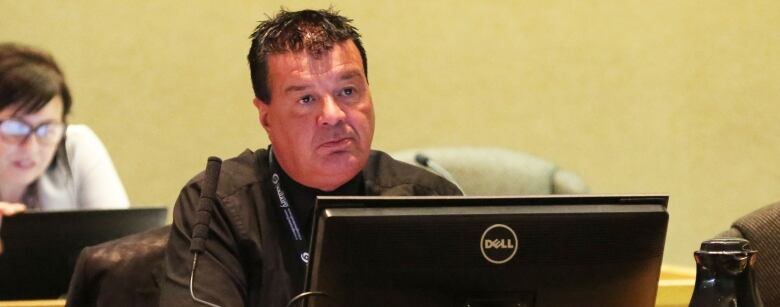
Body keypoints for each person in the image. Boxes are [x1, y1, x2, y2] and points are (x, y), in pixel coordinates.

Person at [160, 8, 462, 307]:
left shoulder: (430, 201)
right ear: (266, 118)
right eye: (306, 99)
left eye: (347, 91)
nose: (333, 115)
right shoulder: (219, 204)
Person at [0, 43, 129, 214]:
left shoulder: (75, 146)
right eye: (15, 128)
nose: (31, 147)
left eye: (46, 129)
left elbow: (122, 234)